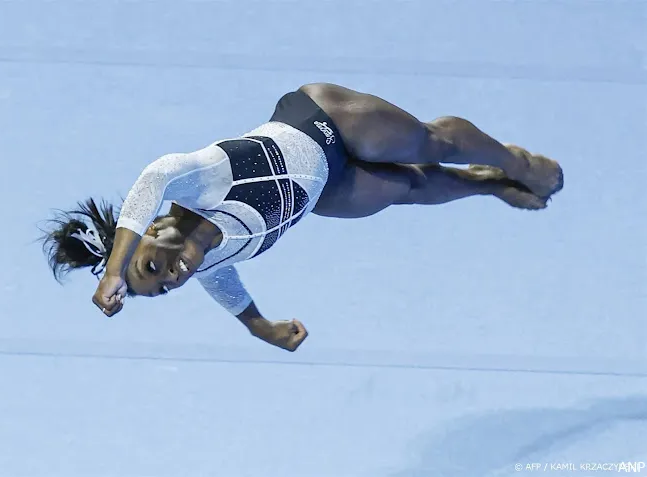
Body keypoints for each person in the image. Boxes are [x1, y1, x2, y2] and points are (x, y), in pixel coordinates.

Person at [42, 83, 563, 352]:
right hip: (323, 190)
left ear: (149, 229)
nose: (171, 278)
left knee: (430, 142)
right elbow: (228, 289)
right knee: (408, 187)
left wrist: (115, 270)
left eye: (149, 267)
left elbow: (152, 176)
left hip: (322, 121)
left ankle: (514, 162)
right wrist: (259, 328)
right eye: (161, 289)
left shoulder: (199, 180)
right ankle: (490, 184)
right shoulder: (208, 262)